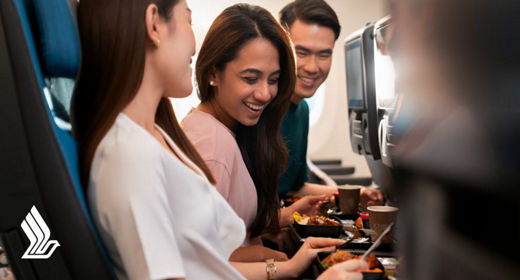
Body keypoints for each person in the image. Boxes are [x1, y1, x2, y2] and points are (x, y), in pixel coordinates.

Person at [72, 0, 364, 279]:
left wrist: (279, 259)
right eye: (187, 19)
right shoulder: (132, 154)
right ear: (154, 25)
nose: (195, 44)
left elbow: (205, 262)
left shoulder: (158, 135)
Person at [182, 3, 328, 262]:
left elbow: (230, 225)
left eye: (273, 80)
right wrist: (283, 266)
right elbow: (199, 262)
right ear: (213, 73)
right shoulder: (213, 147)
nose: (265, 94)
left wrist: (285, 216)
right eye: (251, 79)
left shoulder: (223, 129)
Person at [278, 0, 384, 206]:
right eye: (302, 53)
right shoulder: (261, 110)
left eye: (324, 54)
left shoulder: (302, 110)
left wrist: (355, 192)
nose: (312, 67)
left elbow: (295, 186)